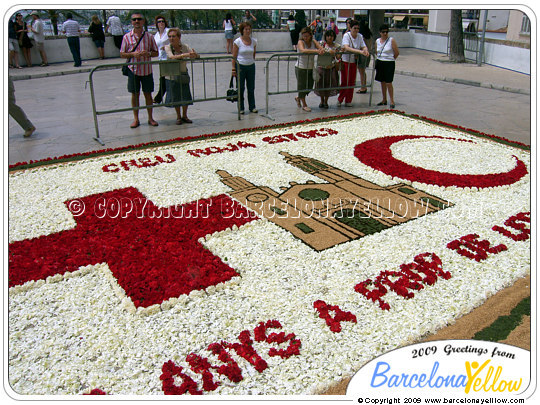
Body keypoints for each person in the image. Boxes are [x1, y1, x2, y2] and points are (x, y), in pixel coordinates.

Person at [120, 12, 159, 128]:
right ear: (132, 22)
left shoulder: (149, 37)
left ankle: (150, 118)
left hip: (147, 70)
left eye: (139, 19)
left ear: (143, 21)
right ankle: (136, 119)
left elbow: (156, 52)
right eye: (134, 19)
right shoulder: (126, 37)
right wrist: (133, 54)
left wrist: (148, 53)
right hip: (133, 70)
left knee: (148, 94)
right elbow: (122, 53)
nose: (137, 21)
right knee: (135, 95)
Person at [163, 28, 198, 125]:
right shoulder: (167, 47)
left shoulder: (185, 46)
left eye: (173, 36)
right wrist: (185, 55)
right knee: (176, 96)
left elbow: (194, 55)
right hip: (172, 75)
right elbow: (171, 57)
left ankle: (185, 115)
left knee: (185, 95)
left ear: (179, 37)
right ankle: (178, 116)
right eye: (169, 36)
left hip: (183, 73)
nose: (171, 38)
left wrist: (194, 55)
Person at [337, 20, 369, 107]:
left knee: (351, 82)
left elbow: (363, 45)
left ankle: (348, 100)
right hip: (345, 61)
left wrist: (365, 50)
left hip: (353, 62)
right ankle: (340, 99)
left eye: (358, 28)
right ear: (350, 28)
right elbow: (347, 47)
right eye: (354, 28)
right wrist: (359, 51)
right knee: (345, 81)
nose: (356, 30)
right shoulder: (346, 36)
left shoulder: (360, 36)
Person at [294, 27, 325, 112]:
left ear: (311, 35)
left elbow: (320, 47)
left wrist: (321, 50)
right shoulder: (301, 42)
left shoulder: (313, 41)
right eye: (304, 36)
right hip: (301, 67)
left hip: (310, 67)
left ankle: (299, 97)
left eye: (307, 36)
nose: (305, 38)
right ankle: (304, 104)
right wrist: (315, 51)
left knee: (310, 85)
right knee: (302, 85)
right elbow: (303, 50)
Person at [232, 22, 258, 114]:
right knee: (241, 88)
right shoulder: (237, 42)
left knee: (251, 88)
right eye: (245, 29)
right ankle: (241, 107)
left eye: (249, 29)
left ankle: (252, 106)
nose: (247, 31)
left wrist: (251, 61)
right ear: (242, 30)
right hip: (240, 66)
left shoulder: (254, 41)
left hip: (251, 66)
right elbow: (234, 56)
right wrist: (233, 68)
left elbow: (253, 54)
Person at [314, 29, 341, 109]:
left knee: (329, 85)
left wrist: (335, 52)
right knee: (321, 85)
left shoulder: (337, 46)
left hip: (331, 68)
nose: (330, 38)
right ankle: (322, 101)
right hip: (321, 67)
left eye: (332, 36)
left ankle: (326, 101)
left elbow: (338, 57)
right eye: (328, 36)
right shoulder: (321, 44)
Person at [374, 24, 399, 109]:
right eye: (383, 32)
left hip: (389, 62)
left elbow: (396, 52)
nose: (385, 33)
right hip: (380, 61)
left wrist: (391, 58)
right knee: (382, 81)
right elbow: (376, 51)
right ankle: (384, 99)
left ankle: (392, 100)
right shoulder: (377, 41)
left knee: (389, 82)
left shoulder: (391, 40)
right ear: (380, 32)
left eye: (386, 32)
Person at [153, 15, 170, 103]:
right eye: (159, 22)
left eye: (162, 21)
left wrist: (167, 47)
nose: (161, 23)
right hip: (161, 59)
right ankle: (159, 97)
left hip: (169, 58)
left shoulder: (168, 32)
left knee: (166, 78)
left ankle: (158, 98)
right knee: (163, 78)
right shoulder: (156, 35)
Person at [356, 20, 372, 94]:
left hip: (362, 54)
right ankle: (363, 86)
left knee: (361, 71)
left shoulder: (361, 37)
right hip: (368, 54)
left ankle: (363, 87)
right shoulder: (369, 35)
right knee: (363, 71)